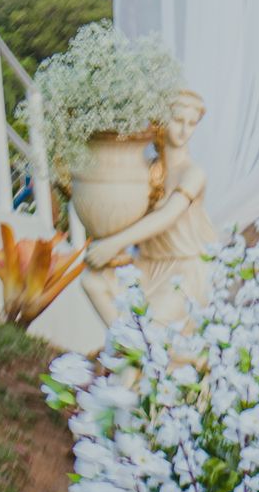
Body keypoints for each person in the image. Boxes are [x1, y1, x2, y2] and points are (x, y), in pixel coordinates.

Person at [83, 89, 219, 329]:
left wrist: (114, 243)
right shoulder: (146, 171)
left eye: (192, 123)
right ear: (161, 120)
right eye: (178, 120)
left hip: (183, 270)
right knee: (93, 282)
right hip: (145, 265)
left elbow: (168, 215)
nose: (185, 130)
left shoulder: (193, 173)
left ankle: (135, 353)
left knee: (150, 330)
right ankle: (126, 349)